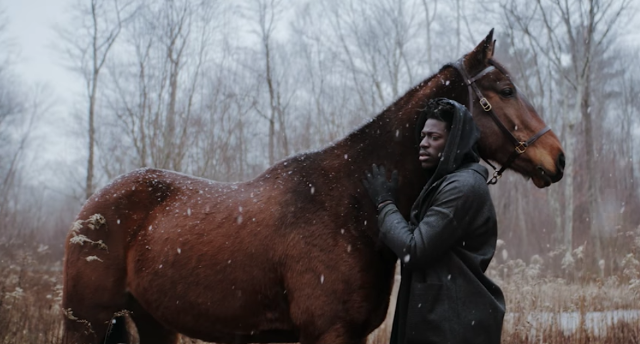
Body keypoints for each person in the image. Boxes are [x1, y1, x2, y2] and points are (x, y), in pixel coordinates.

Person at [362, 98, 505, 344]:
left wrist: (385, 204)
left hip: (453, 325)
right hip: (443, 318)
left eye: (434, 138)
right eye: (423, 136)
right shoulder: (448, 183)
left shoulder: (463, 187)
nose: (423, 144)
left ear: (454, 144)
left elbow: (413, 249)